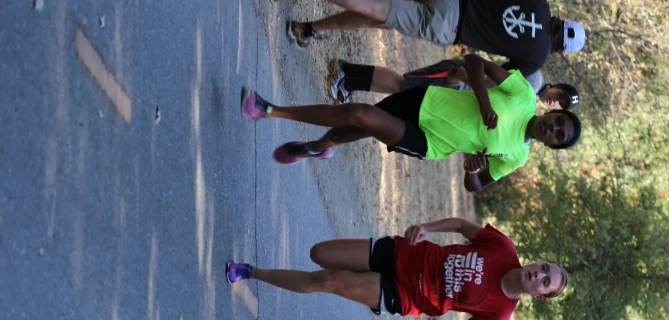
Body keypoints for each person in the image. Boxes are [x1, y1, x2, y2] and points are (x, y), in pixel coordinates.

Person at [240, 53, 582, 192]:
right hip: (427, 100)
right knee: (356, 128)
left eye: (558, 137)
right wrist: (481, 99)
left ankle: (269, 110)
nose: (552, 129)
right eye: (557, 122)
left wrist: (472, 168)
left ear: (553, 145)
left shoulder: (517, 157)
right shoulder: (522, 94)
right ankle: (316, 147)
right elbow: (475, 61)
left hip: (429, 140)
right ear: (552, 114)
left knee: (358, 114)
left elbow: (474, 187)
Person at [226, 217, 569, 320]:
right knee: (320, 254)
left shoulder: (499, 314)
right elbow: (464, 226)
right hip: (405, 254)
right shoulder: (503, 248)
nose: (537, 275)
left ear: (540, 296)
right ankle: (254, 272)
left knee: (326, 280)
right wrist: (427, 230)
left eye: (544, 282)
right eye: (543, 268)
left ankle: (251, 272)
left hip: (407, 297)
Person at [285, 0, 585, 76]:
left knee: (379, 18)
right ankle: (308, 29)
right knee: (380, 9)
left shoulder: (540, 4)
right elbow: (494, 76)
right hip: (449, 27)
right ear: (562, 49)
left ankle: (309, 29)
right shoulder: (536, 59)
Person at [326, 57, 581, 111]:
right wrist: (463, 78)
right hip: (461, 77)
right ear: (557, 86)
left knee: (403, 87)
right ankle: (345, 71)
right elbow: (494, 75)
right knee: (403, 84)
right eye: (561, 96)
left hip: (461, 87)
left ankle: (348, 83)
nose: (556, 102)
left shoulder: (533, 97)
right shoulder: (534, 80)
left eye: (562, 105)